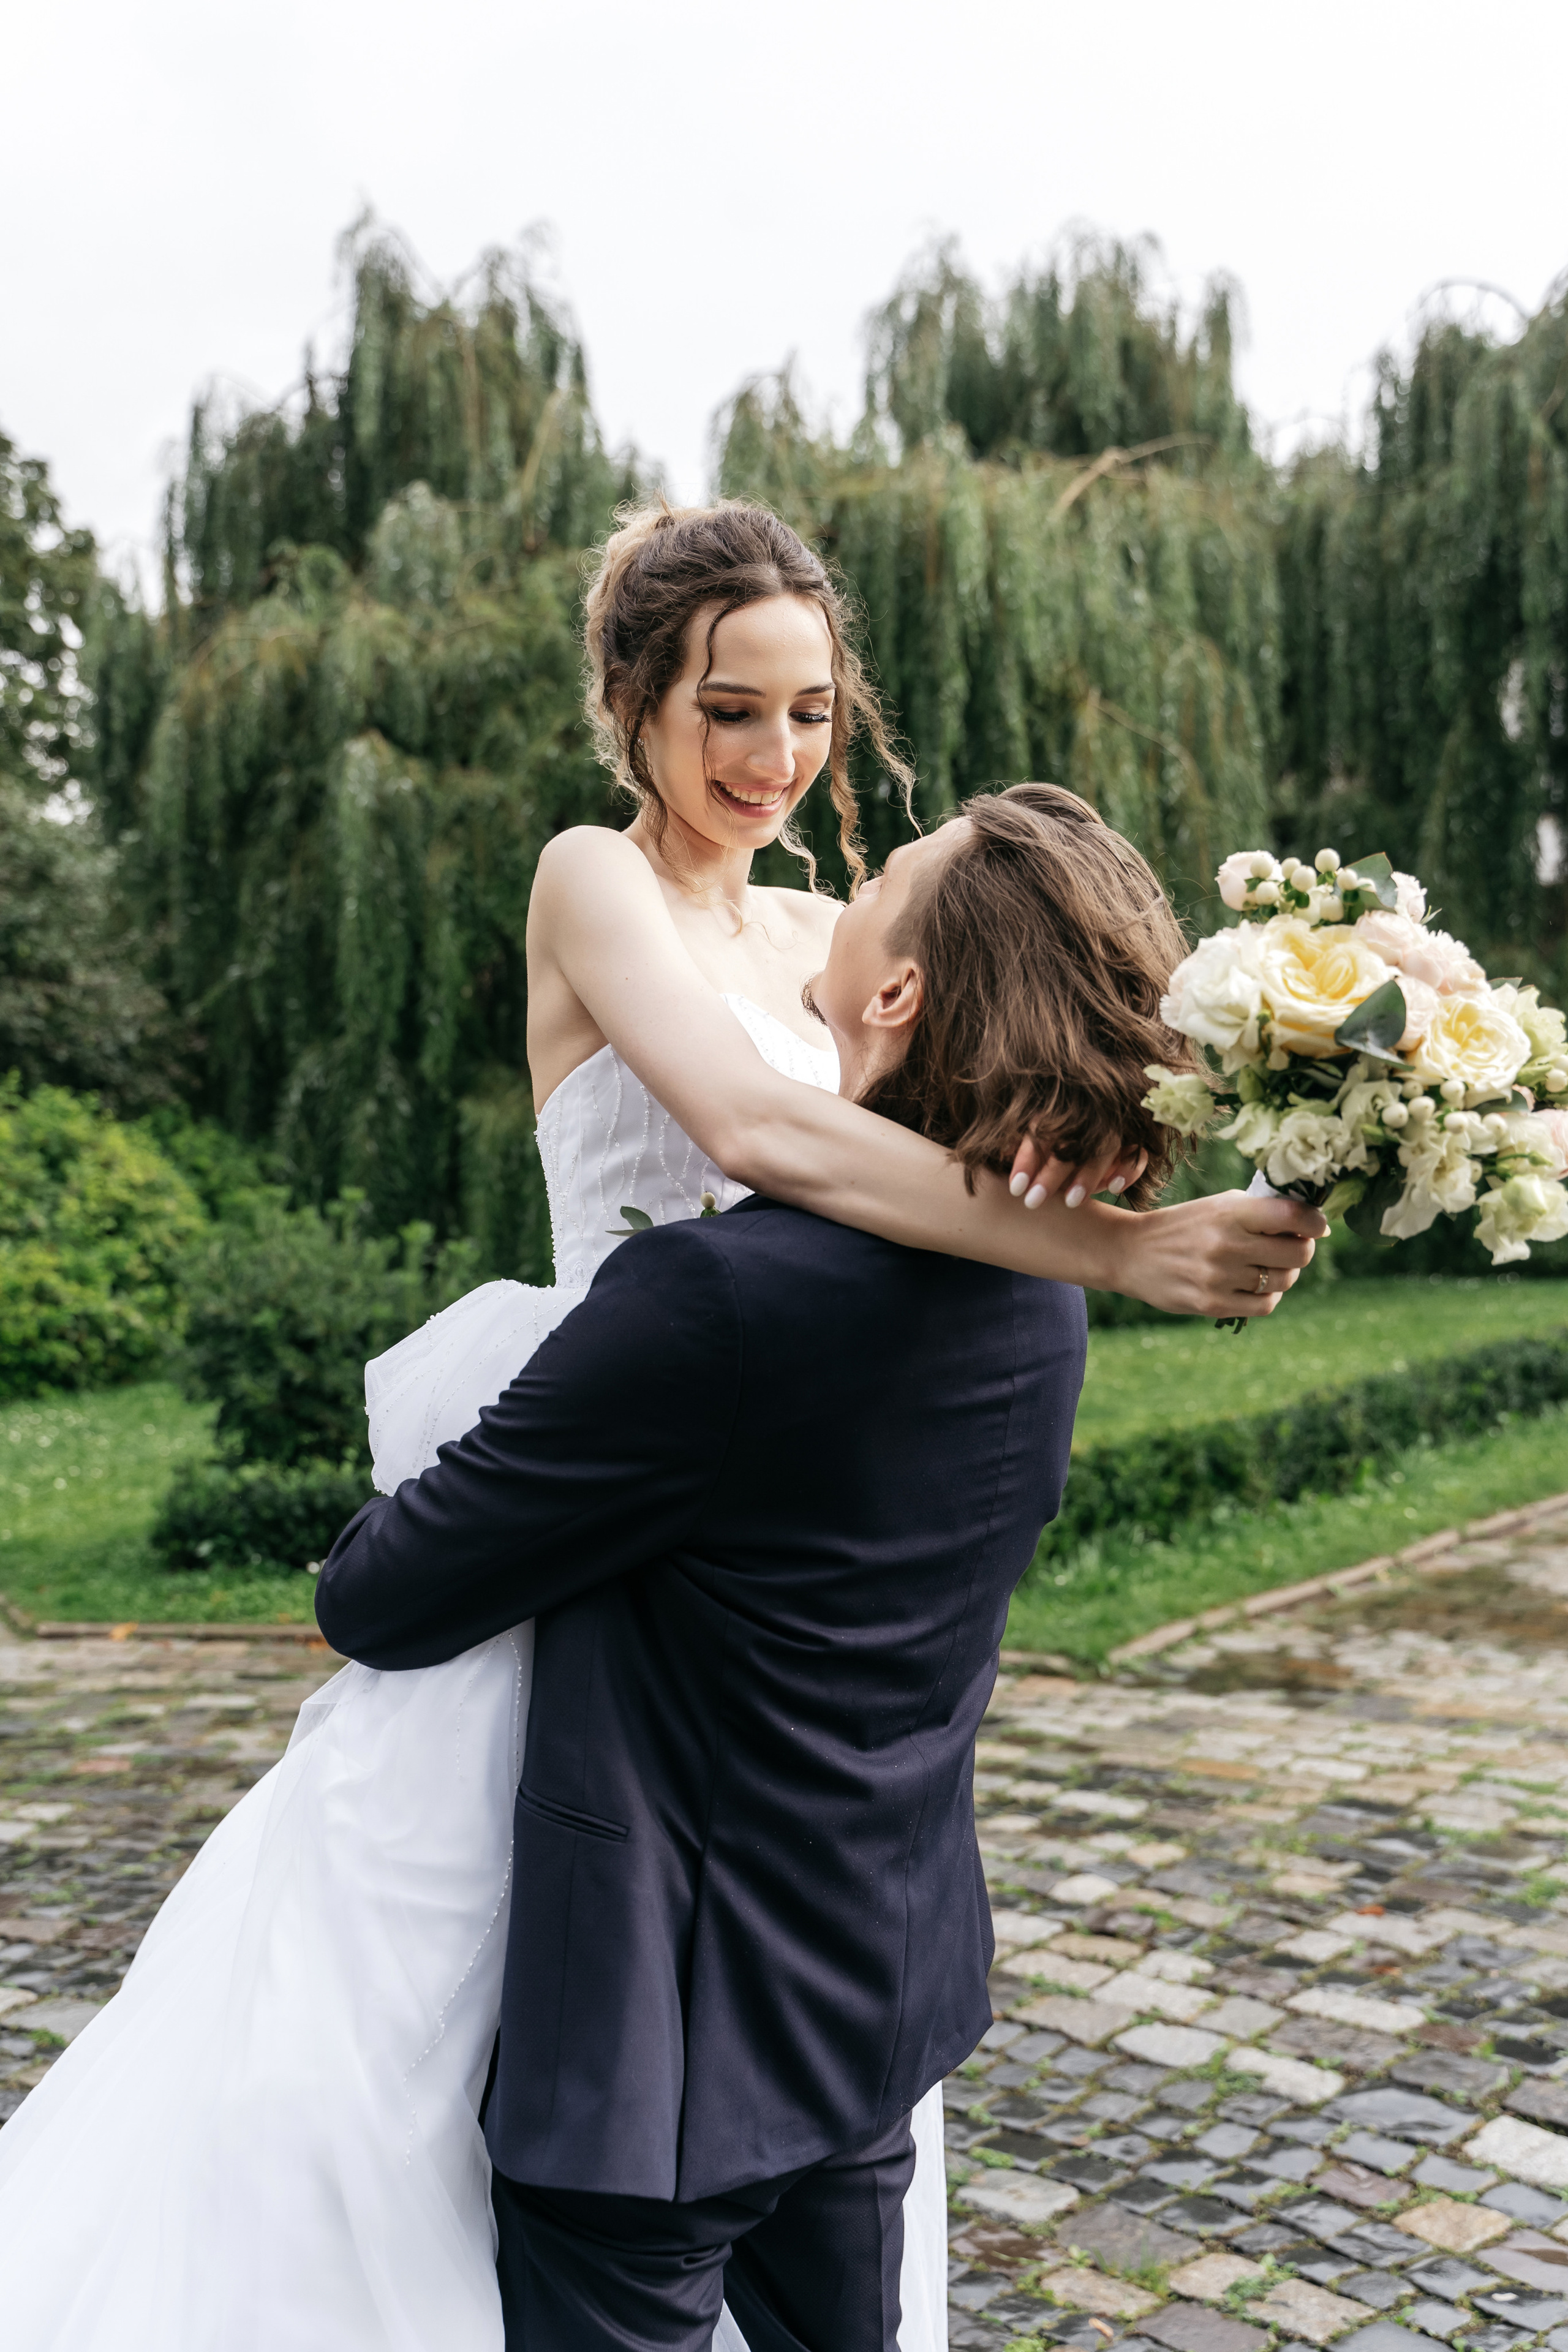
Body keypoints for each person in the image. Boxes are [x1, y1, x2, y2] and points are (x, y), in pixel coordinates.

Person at [0, 503, 1321, 2352]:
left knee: (689, 2083)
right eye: (727, 710)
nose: (774, 761)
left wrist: (1342, 1051)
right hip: (601, 1475)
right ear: (631, 703)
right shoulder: (589, 884)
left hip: (762, 1496)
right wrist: (1118, 1250)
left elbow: (1024, 1047)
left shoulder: (828, 930)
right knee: (409, 2063)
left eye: (810, 714)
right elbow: (765, 1141)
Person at [313, 783, 1207, 2351]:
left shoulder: (713, 1299)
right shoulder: (1036, 1300)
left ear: (895, 992)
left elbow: (380, 1599)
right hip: (874, 1999)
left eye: (892, 875)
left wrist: (473, 1415)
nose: (851, 869)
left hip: (662, 2050)